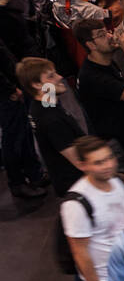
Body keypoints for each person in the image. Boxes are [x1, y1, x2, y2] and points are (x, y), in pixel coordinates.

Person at [61, 135, 124, 281]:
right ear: (82, 165)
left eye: (110, 158)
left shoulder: (115, 182)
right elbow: (80, 251)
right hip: (106, 278)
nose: (108, 165)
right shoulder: (76, 204)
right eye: (99, 162)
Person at [75, 16, 124, 174]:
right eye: (101, 35)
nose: (110, 36)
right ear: (91, 45)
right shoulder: (92, 76)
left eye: (107, 31)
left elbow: (119, 97)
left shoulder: (106, 62)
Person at [17, 56, 84, 196]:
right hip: (79, 186)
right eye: (51, 76)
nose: (60, 77)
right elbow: (79, 162)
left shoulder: (43, 105)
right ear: (36, 84)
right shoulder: (51, 119)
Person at [0, 36, 47, 199]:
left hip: (13, 84)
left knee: (25, 131)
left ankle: (35, 174)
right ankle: (18, 182)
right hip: (6, 93)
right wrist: (9, 89)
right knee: (13, 137)